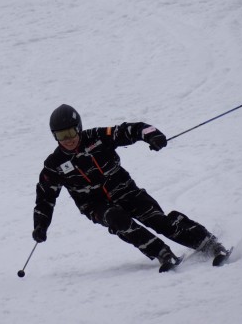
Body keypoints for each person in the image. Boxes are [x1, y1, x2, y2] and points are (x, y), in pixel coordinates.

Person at [32, 104, 229, 272]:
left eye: (71, 132)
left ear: (79, 128)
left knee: (160, 221)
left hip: (126, 191)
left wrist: (152, 136)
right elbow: (45, 197)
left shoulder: (97, 138)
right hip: (95, 205)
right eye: (61, 135)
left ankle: (210, 244)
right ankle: (161, 253)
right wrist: (40, 225)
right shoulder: (54, 164)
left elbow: (129, 130)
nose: (67, 139)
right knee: (117, 219)